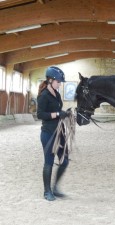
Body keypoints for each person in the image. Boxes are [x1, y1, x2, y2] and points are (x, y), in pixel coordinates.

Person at [37, 66, 70, 201]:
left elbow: (58, 110)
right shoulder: (43, 95)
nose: (59, 84)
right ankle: (47, 191)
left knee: (65, 160)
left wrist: (65, 113)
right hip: (48, 134)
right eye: (58, 81)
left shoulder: (56, 94)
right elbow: (40, 114)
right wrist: (57, 114)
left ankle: (55, 187)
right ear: (50, 80)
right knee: (49, 162)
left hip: (59, 132)